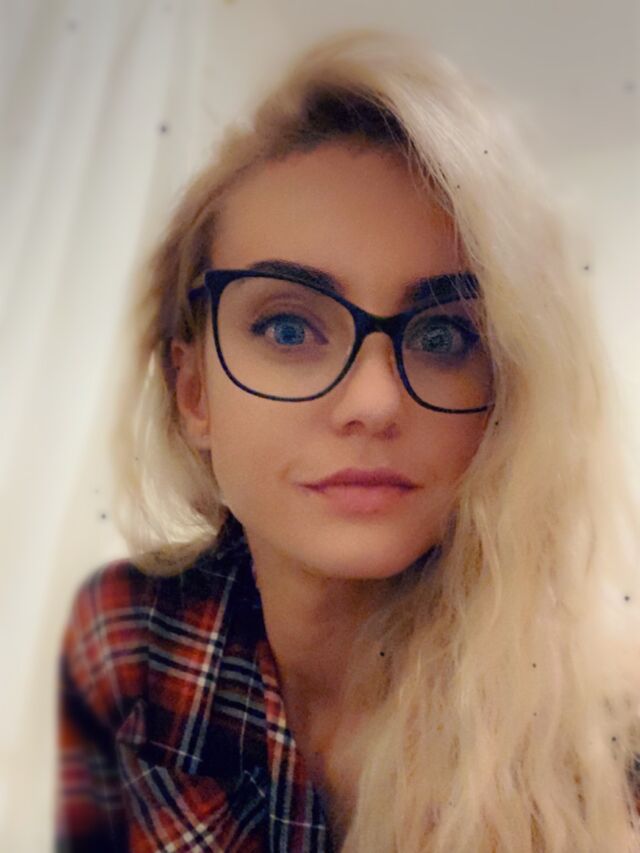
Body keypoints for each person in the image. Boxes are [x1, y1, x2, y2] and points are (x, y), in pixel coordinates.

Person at [56, 29, 640, 853]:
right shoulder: (128, 641)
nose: (373, 401)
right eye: (289, 327)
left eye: (442, 336)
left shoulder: (606, 735)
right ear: (195, 393)